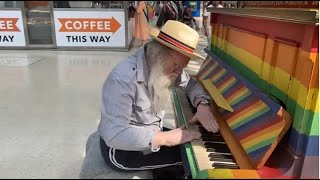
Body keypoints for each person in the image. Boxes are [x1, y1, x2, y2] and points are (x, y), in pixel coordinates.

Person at [98, 20, 219, 178]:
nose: (178, 72)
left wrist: (202, 105)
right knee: (189, 160)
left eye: (183, 67)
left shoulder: (169, 65)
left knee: (193, 146)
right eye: (176, 66)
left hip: (151, 131)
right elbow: (114, 134)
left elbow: (191, 84)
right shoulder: (123, 79)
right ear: (158, 51)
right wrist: (165, 138)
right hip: (120, 151)